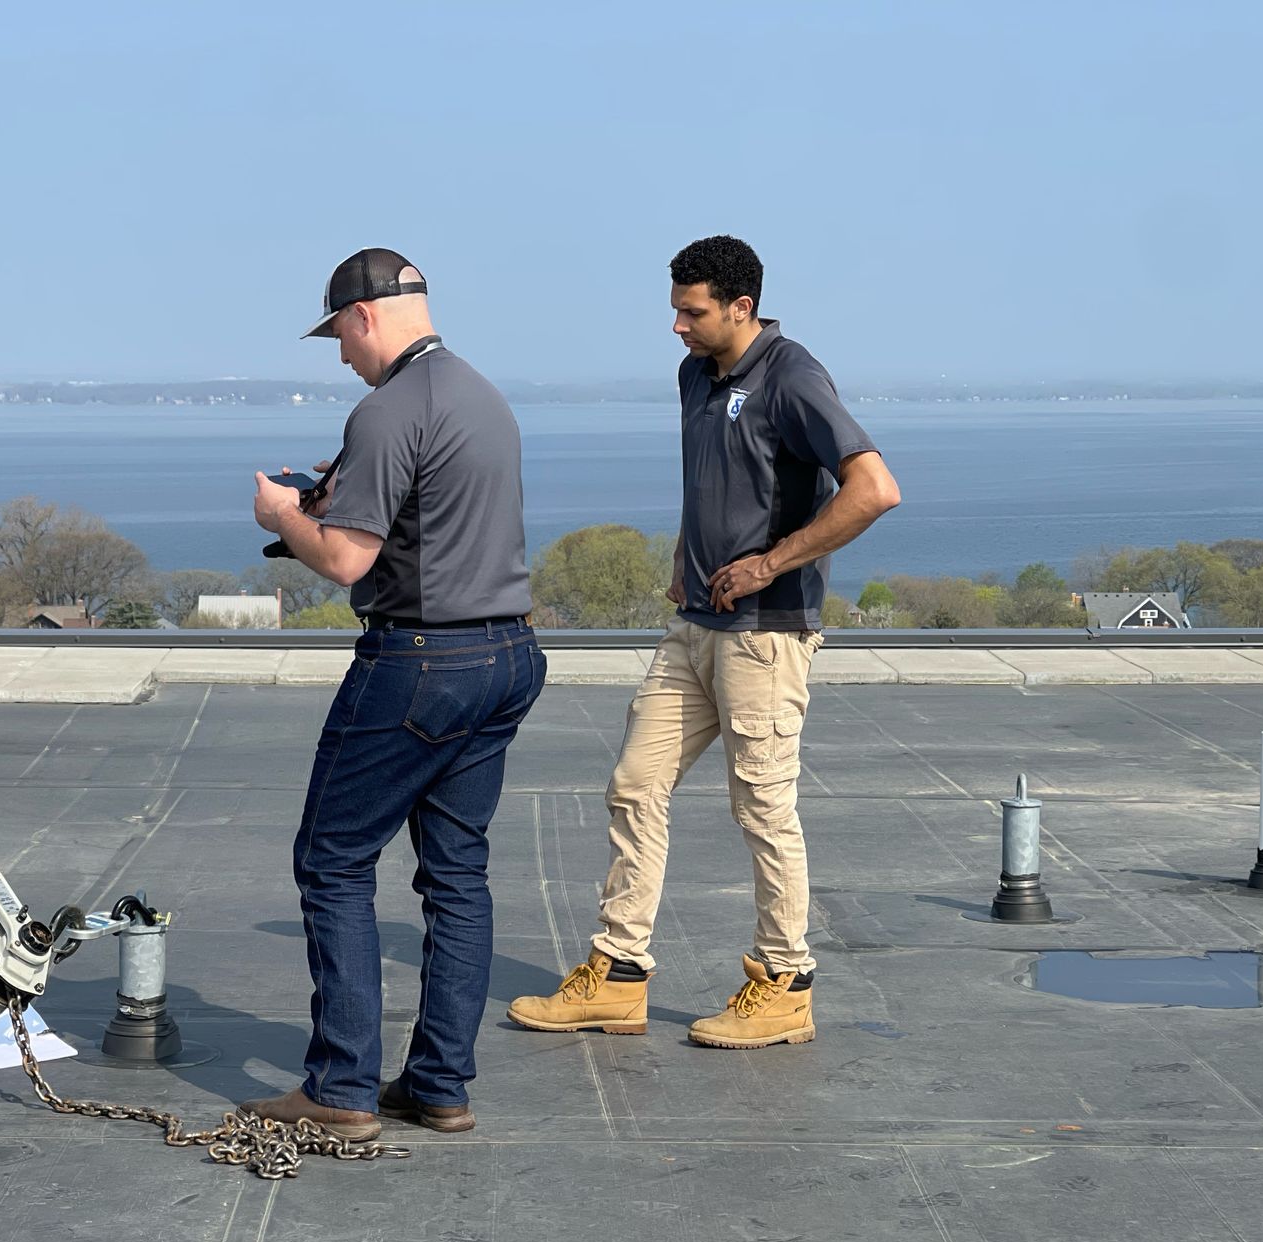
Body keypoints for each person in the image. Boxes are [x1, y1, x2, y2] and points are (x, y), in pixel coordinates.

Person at [508, 235, 900, 1049]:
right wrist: (690, 561)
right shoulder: (696, 376)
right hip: (693, 630)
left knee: (762, 808)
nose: (678, 328)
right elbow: (713, 480)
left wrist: (770, 564)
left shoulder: (793, 376)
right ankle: (618, 976)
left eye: (692, 313)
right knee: (633, 785)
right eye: (676, 311)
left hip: (765, 637)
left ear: (740, 308)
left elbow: (874, 490)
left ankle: (786, 983)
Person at [241, 247, 545, 1137]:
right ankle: (440, 1084)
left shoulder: (386, 411)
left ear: (365, 316)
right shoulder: (483, 397)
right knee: (457, 877)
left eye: (338, 333)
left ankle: (340, 1091)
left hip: (419, 662)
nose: (340, 354)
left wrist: (283, 515)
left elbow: (345, 560)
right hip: (508, 654)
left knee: (332, 860)